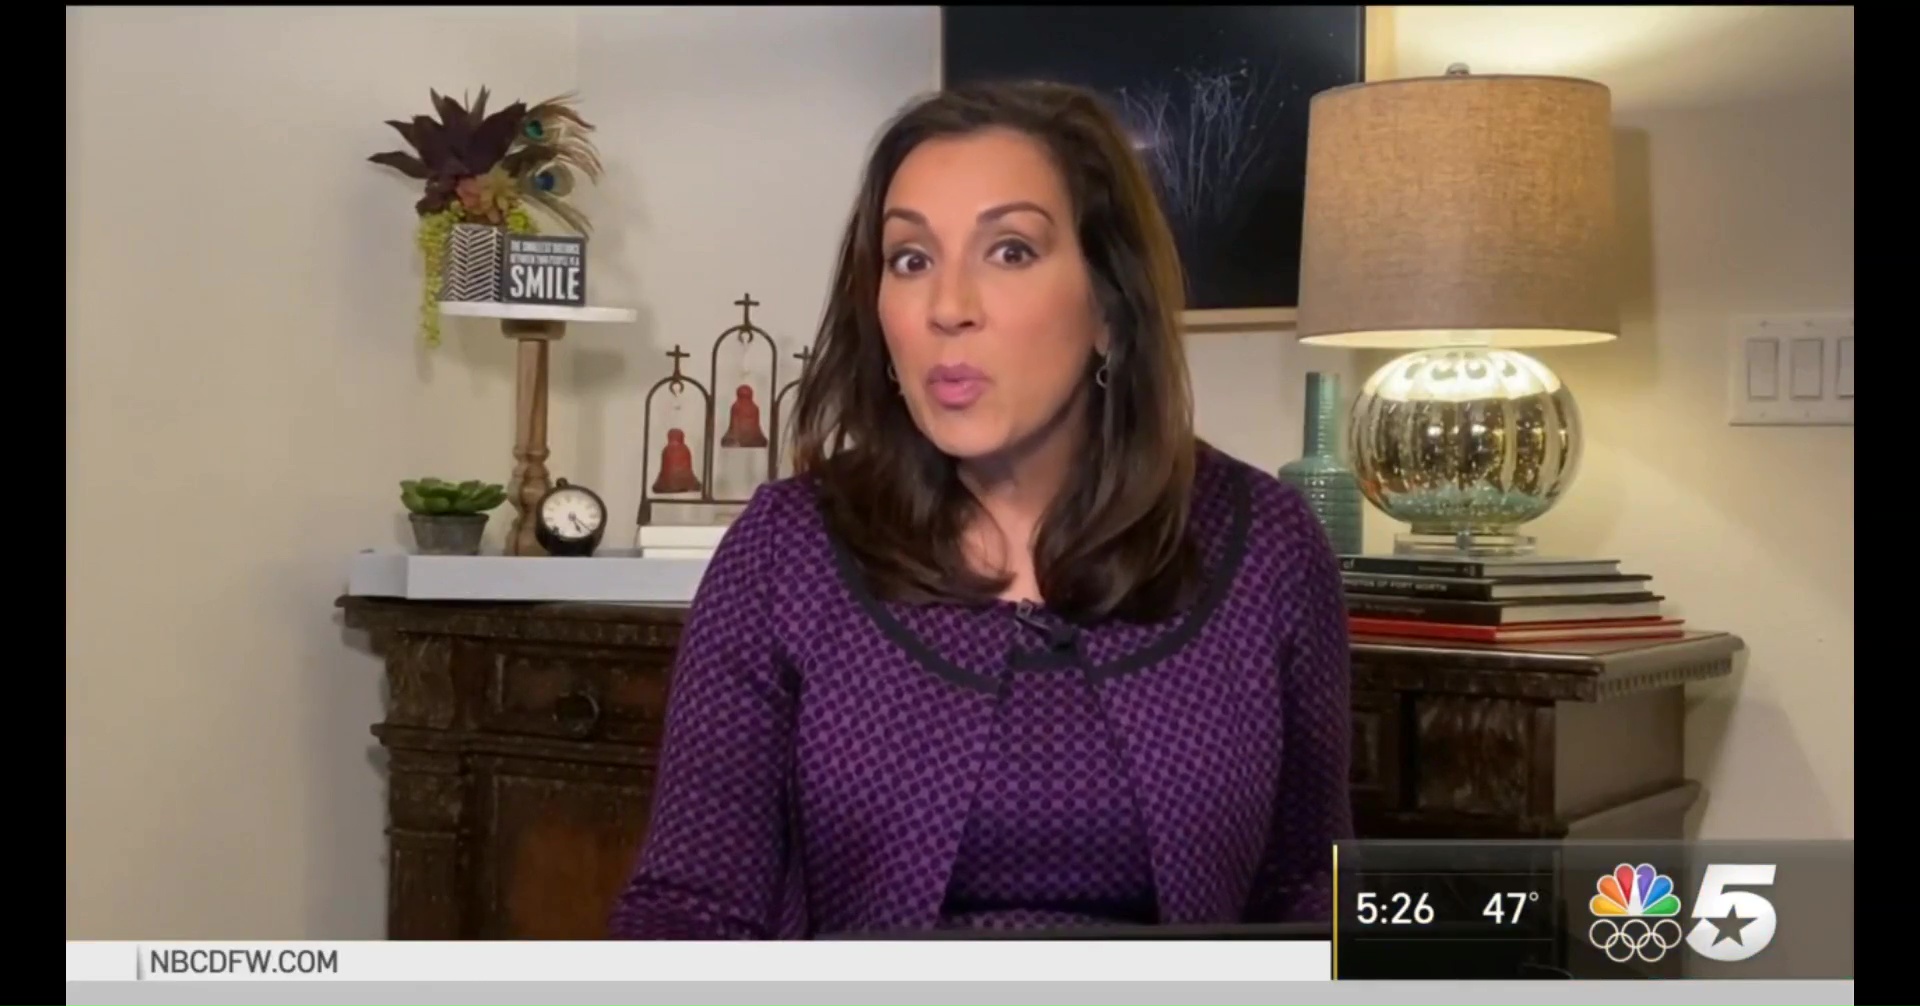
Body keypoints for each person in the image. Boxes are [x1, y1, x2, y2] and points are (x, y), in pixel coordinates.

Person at [607, 80, 1352, 940]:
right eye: (910, 260)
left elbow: (1316, 898)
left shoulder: (1264, 546)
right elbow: (691, 910)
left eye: (1010, 251)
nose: (948, 308)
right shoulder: (787, 550)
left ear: (1109, 307)